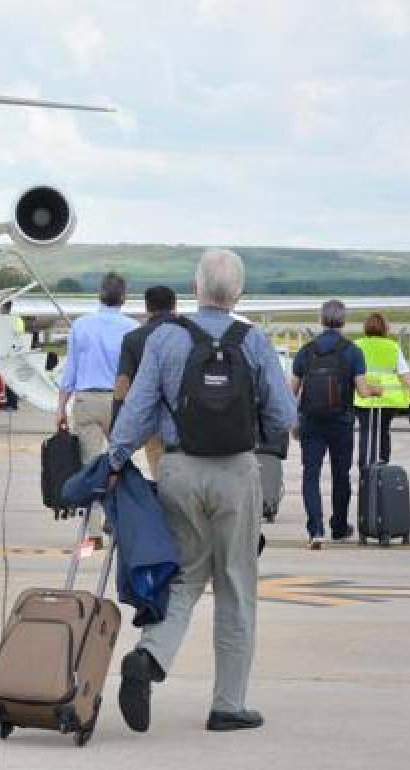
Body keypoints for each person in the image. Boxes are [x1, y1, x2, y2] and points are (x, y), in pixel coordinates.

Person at [107, 249, 295, 735]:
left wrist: (113, 460)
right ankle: (228, 704)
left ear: (195, 290)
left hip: (179, 469)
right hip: (236, 472)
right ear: (239, 294)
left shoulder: (167, 339)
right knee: (235, 585)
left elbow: (138, 410)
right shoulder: (253, 340)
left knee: (185, 577)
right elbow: (283, 418)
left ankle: (149, 657)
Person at [290, 300, 382, 549]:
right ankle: (339, 527)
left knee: (311, 475)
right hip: (341, 422)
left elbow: (292, 392)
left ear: (321, 320)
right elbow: (362, 391)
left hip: (311, 422)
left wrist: (292, 421)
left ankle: (315, 529)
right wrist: (376, 390)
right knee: (341, 476)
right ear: (343, 321)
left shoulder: (306, 350)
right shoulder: (352, 351)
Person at [56, 272, 138, 548]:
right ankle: (116, 519)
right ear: (123, 297)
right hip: (119, 401)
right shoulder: (131, 328)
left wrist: (60, 406)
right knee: (119, 464)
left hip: (87, 399)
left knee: (90, 465)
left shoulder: (82, 326)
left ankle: (92, 531)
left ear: (99, 294)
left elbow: (71, 370)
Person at [111, 285, 177, 477]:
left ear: (147, 308)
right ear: (175, 307)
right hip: (186, 421)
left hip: (151, 420)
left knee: (160, 477)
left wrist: (117, 425)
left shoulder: (133, 339)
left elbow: (122, 385)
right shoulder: (190, 333)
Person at [354, 312, 410, 466]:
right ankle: (383, 466)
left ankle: (365, 468)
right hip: (387, 399)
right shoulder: (393, 347)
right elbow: (404, 373)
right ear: (385, 328)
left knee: (366, 433)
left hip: (363, 398)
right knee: (383, 432)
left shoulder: (357, 345)